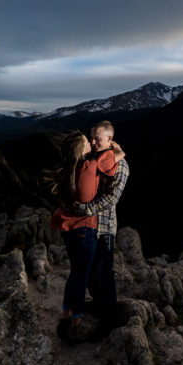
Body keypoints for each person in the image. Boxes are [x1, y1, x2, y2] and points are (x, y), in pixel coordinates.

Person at [50, 130, 125, 342]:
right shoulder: (92, 165)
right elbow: (120, 156)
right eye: (88, 141)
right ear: (81, 149)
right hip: (86, 228)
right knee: (84, 277)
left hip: (74, 228)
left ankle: (68, 314)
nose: (92, 144)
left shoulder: (71, 168)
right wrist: (115, 148)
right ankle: (76, 324)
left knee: (79, 273)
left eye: (95, 140)